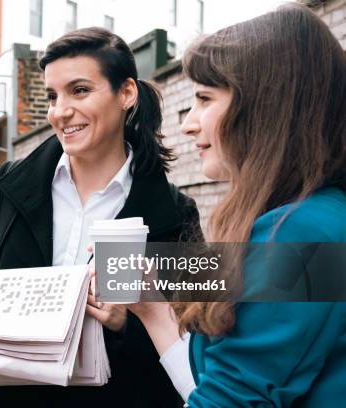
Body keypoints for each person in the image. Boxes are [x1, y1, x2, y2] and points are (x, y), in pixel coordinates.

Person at [0, 27, 202, 407]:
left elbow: (190, 330)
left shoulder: (174, 212)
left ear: (127, 94)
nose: (61, 111)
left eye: (80, 90)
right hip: (0, 396)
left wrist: (126, 324)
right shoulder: (11, 183)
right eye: (53, 96)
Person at [126, 4, 346, 407]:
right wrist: (154, 310)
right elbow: (227, 387)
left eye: (205, 99)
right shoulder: (316, 220)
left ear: (265, 106)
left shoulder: (300, 234)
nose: (189, 122)